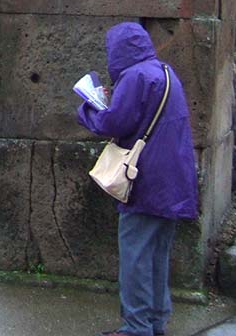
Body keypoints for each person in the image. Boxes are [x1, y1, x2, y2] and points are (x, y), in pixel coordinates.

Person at [77, 22, 198, 336]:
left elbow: (114, 122)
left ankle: (136, 327)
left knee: (135, 257)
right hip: (175, 179)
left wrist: (87, 108)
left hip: (146, 181)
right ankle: (156, 322)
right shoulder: (166, 73)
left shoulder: (135, 77)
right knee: (157, 256)